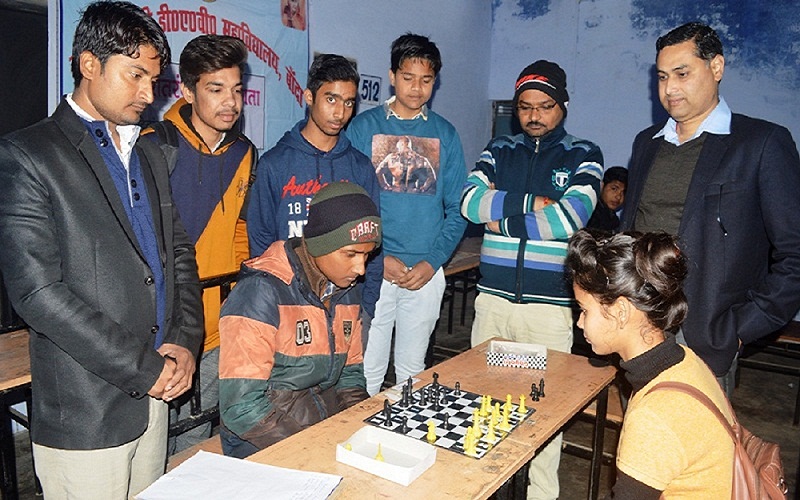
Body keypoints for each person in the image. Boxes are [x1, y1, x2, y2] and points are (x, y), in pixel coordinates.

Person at [0, 2, 203, 498]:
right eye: (135, 75)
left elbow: (177, 255)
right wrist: (147, 368)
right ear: (89, 64)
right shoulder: (28, 155)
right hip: (87, 413)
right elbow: (39, 294)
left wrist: (184, 339)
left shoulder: (150, 151)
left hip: (158, 393)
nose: (146, 93)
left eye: (153, 79)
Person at [621, 22, 800, 396]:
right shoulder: (646, 144)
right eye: (663, 76)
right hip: (636, 327)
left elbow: (794, 255)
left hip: (702, 338)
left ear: (716, 68)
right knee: (640, 443)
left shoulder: (760, 143)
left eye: (683, 74)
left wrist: (739, 329)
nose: (670, 88)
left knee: (695, 449)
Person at [460, 59, 602, 500]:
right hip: (494, 306)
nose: (534, 116)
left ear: (563, 106)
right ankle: (484, 490)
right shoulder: (498, 151)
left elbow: (572, 216)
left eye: (545, 106)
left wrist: (501, 221)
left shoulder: (584, 154)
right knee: (485, 406)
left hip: (547, 311)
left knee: (542, 415)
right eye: (525, 107)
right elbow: (468, 203)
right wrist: (532, 203)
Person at [141, 34, 256, 454]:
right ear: (187, 91)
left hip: (222, 329)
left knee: (200, 444)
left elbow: (242, 229)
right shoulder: (152, 146)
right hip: (166, 336)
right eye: (216, 89)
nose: (231, 102)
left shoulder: (245, 151)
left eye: (238, 90)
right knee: (154, 450)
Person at [567, 229, 735, 498]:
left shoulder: (655, 416)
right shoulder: (685, 360)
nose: (579, 322)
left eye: (585, 310)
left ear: (620, 312)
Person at [218, 182, 379, 458]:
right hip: (262, 441)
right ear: (318, 245)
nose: (360, 269)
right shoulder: (260, 293)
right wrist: (311, 449)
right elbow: (241, 407)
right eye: (350, 254)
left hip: (321, 430)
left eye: (367, 255)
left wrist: (365, 429)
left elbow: (349, 377)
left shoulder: (346, 292)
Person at [346, 33, 467, 396]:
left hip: (425, 274)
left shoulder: (445, 134)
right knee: (365, 368)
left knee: (413, 373)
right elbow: (350, 203)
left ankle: (406, 448)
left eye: (426, 80)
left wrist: (432, 262)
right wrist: (380, 259)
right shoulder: (362, 128)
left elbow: (457, 209)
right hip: (371, 270)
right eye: (408, 77)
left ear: (435, 82)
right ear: (392, 76)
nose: (416, 88)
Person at [246, 53, 381, 351]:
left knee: (346, 393)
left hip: (347, 305)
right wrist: (272, 303)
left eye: (348, 102)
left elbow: (374, 242)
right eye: (330, 99)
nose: (340, 112)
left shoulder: (359, 168)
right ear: (309, 96)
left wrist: (367, 307)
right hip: (289, 305)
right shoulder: (275, 164)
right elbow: (261, 242)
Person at [586, 166, 627, 232]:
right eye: (614, 189)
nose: (618, 197)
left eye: (623, 192)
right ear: (602, 186)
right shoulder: (590, 212)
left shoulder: (614, 220)